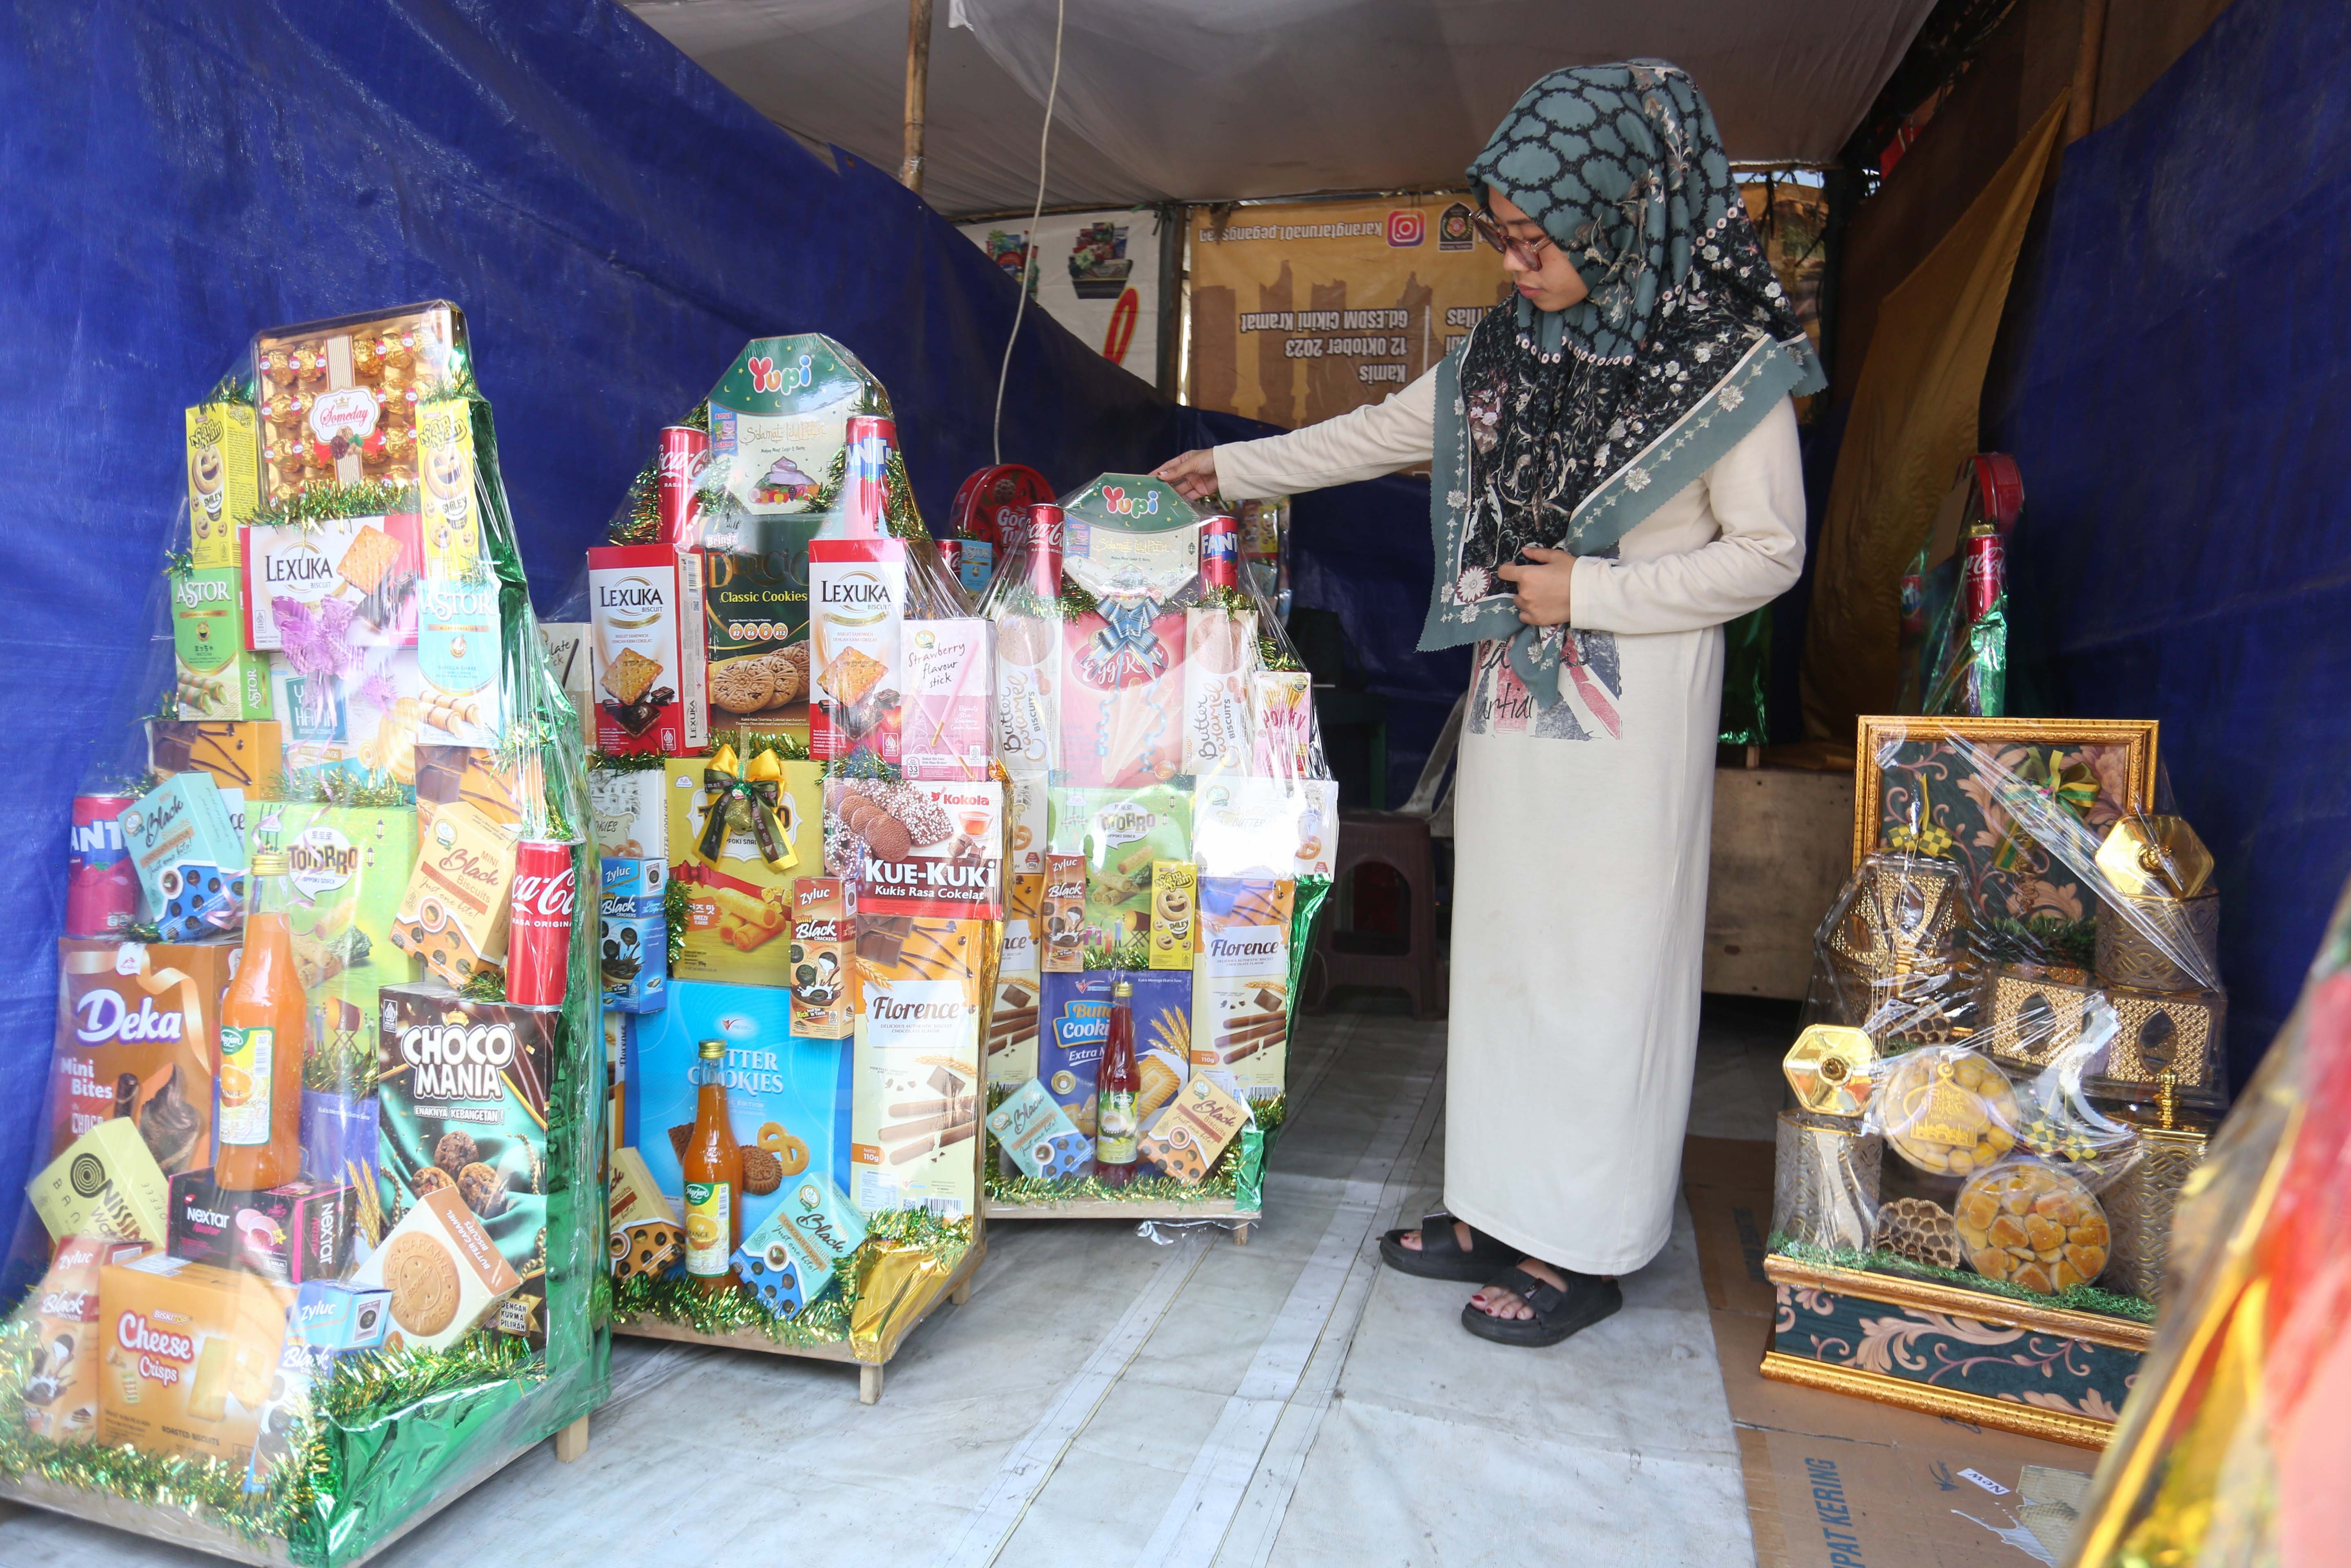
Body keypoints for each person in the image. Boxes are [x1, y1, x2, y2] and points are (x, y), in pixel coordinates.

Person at [1155, 61, 1823, 1348]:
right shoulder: (1513, 355)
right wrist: (1226, 468)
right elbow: (1372, 434)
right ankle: (1493, 1208)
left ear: (1627, 211)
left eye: (1540, 240)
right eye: (1504, 240)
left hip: (1631, 735)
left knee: (1604, 976)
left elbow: (1770, 554)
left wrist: (1598, 592)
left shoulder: (1729, 370)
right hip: (1517, 715)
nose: (1517, 265)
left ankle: (1587, 1244)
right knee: (1508, 958)